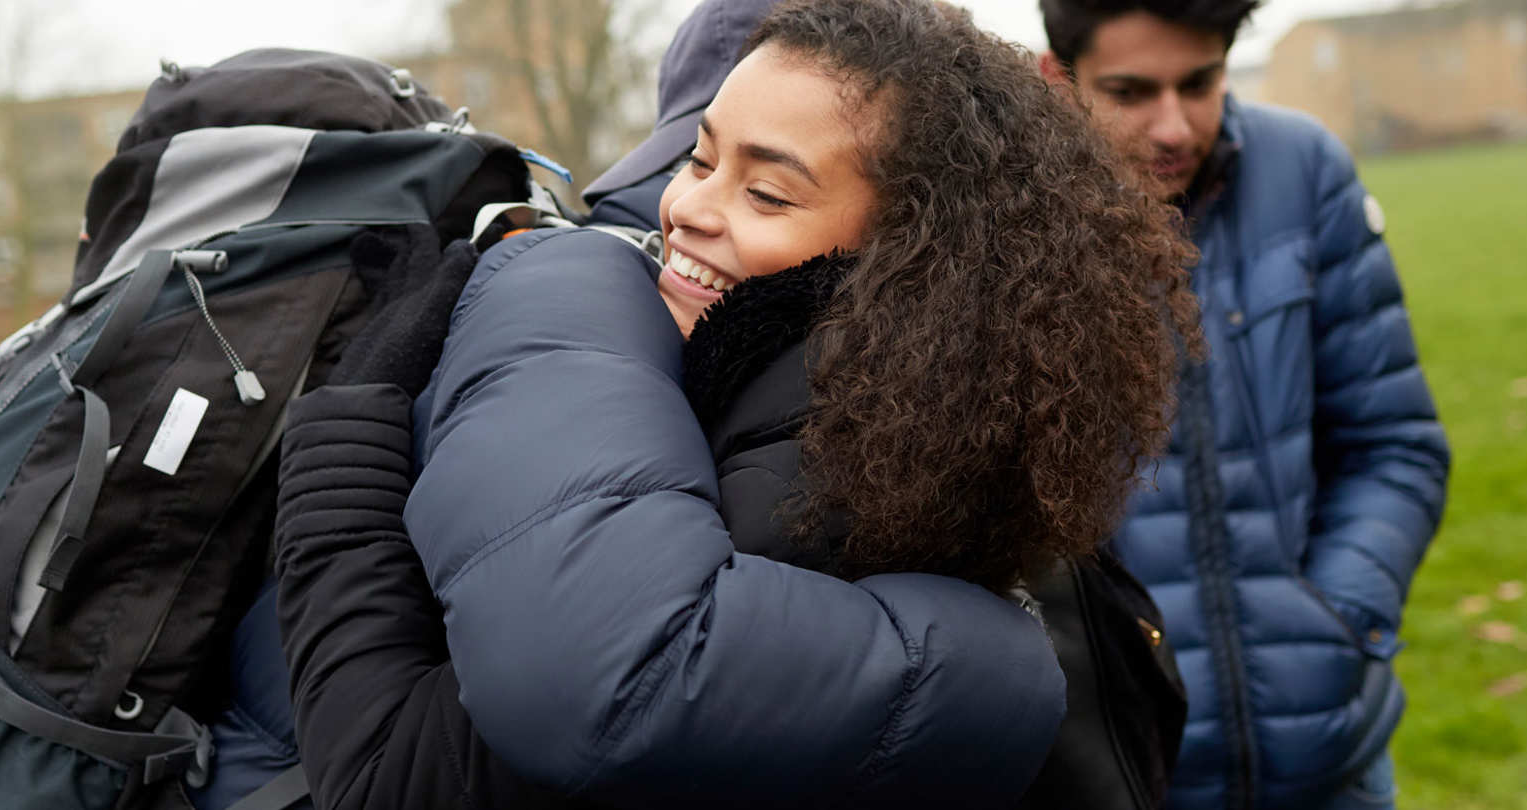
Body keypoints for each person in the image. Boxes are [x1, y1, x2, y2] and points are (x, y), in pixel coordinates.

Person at [265, 0, 1202, 808]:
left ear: (919, 262)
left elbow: (392, 771)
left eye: (765, 191)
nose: (687, 209)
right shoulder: (906, 438)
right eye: (699, 158)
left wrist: (346, 438)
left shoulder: (803, 492)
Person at [1031, 1, 1454, 808]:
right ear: (1059, 80)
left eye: (1200, 83)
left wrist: (1334, 621)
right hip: (1120, 771)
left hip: (1329, 757)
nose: (1174, 127)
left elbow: (1394, 446)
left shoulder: (1304, 171)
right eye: (1129, 92)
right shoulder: (1001, 223)